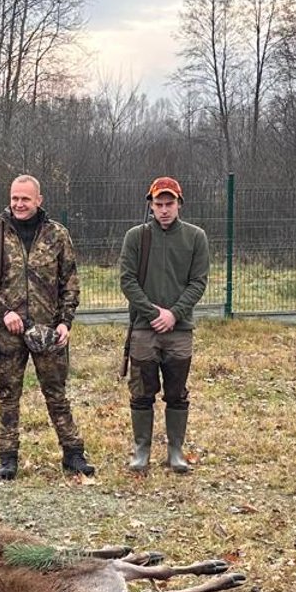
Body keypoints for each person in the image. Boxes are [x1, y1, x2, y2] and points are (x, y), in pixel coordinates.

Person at [0, 175, 92, 479]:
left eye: (25, 199)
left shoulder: (57, 236)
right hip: (8, 332)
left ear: (39, 200)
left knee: (57, 394)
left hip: (48, 332)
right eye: (14, 198)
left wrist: (66, 323)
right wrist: (4, 310)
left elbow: (71, 283)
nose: (18, 204)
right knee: (8, 395)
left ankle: (73, 455)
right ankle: (7, 457)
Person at [118, 176, 210, 473]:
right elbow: (127, 280)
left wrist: (175, 313)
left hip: (180, 330)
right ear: (151, 206)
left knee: (177, 391)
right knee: (141, 391)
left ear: (179, 204)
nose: (164, 209)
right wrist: (153, 312)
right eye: (159, 204)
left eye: (170, 204)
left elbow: (198, 282)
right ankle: (141, 449)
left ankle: (175, 450)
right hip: (144, 329)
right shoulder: (136, 237)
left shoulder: (196, 237)